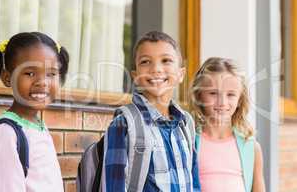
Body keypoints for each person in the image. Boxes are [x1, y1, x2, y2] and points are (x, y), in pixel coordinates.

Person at [102, 31, 199, 192]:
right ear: (135, 76)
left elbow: (194, 182)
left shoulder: (186, 123)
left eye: (166, 60)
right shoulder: (125, 123)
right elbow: (113, 185)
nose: (156, 69)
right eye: (146, 62)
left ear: (181, 74)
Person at [0, 32, 69, 192]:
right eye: (30, 73)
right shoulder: (7, 132)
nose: (42, 82)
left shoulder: (38, 125)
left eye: (51, 74)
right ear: (7, 77)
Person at [190, 57, 265, 192]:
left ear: (240, 100)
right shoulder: (190, 144)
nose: (222, 102)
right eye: (213, 93)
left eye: (230, 94)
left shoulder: (251, 147)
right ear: (199, 95)